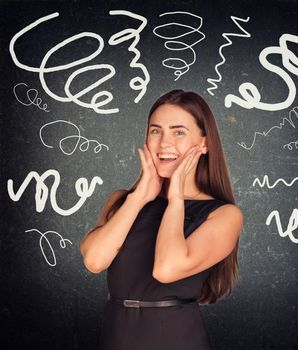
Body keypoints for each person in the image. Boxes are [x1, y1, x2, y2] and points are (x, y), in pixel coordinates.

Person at [79, 89, 244, 350]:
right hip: (115, 337)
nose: (164, 142)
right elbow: (94, 260)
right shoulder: (123, 200)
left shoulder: (223, 214)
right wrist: (140, 197)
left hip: (175, 339)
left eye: (179, 132)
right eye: (156, 131)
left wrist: (176, 196)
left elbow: (166, 269)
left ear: (204, 143)